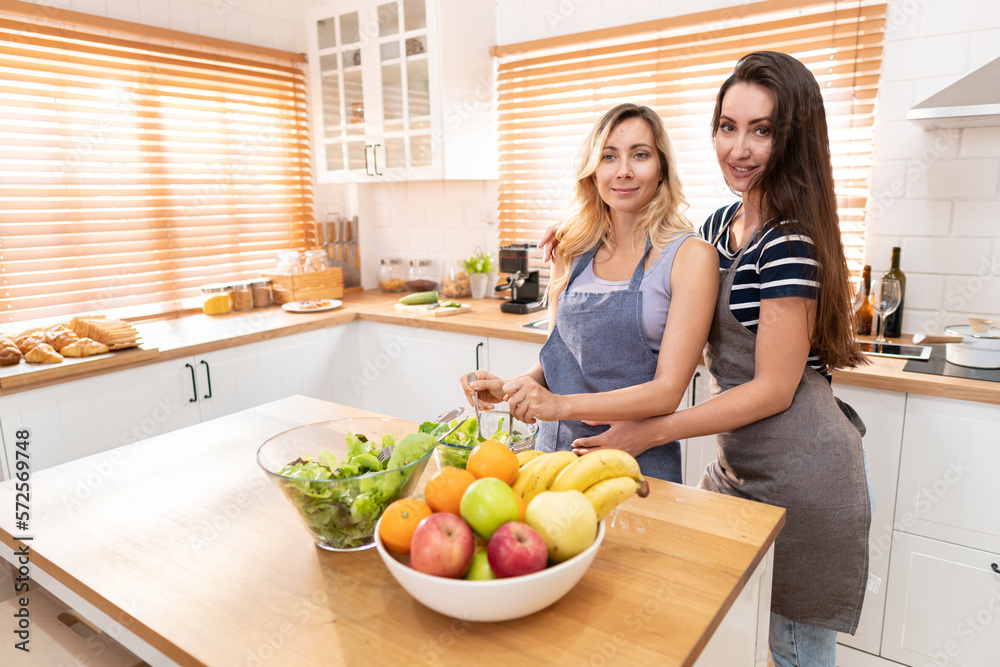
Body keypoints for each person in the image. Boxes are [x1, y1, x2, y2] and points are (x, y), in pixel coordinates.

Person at [543, 52, 872, 666]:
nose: (739, 148)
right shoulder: (723, 225)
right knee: (724, 628)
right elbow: (660, 270)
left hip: (805, 471)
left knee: (793, 650)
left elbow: (773, 389)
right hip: (739, 466)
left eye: (762, 129)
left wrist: (652, 430)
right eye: (727, 126)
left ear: (792, 137)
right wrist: (581, 241)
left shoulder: (791, 242)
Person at [462, 103, 718, 483]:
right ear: (593, 170)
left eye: (641, 155)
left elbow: (667, 392)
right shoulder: (570, 251)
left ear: (662, 167)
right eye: (609, 156)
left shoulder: (691, 257)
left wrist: (558, 405)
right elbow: (560, 357)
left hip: (636, 462)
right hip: (551, 456)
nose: (624, 170)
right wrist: (514, 388)